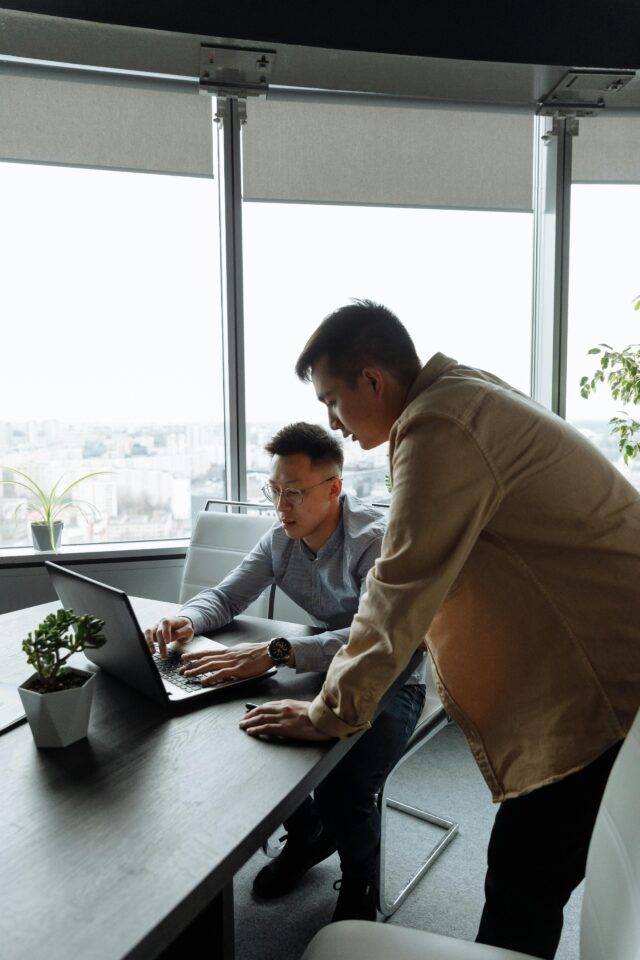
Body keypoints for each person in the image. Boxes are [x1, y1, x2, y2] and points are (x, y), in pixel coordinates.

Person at [239, 300, 640, 960]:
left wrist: (329, 711)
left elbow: (398, 587)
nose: (332, 420)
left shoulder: (440, 426)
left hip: (605, 681)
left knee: (522, 877)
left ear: (373, 380)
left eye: (333, 400)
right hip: (610, 663)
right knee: (527, 870)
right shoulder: (461, 394)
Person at [145, 421, 425, 922]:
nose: (281, 506)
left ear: (335, 488)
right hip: (322, 662)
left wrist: (277, 651)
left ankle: (361, 879)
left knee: (344, 783)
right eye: (273, 490)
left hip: (394, 674)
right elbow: (227, 596)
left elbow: (372, 639)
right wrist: (186, 618)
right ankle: (308, 834)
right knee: (253, 732)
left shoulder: (375, 543)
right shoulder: (280, 539)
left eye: (293, 493)